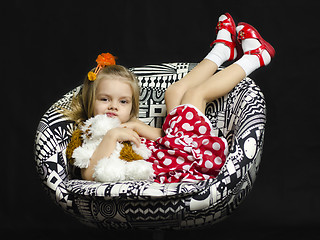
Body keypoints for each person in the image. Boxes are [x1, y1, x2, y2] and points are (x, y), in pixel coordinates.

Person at [66, 13, 275, 183]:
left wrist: (138, 128)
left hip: (176, 149)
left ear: (131, 106)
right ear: (90, 100)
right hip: (185, 163)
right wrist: (112, 136)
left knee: (172, 93)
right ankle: (256, 57)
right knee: (195, 95)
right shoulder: (87, 133)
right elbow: (88, 174)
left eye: (123, 101)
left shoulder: (131, 125)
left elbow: (164, 137)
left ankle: (221, 52)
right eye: (104, 99)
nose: (113, 106)